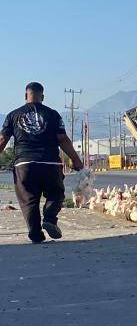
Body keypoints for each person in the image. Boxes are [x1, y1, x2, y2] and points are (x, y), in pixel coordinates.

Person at [0, 82, 84, 243]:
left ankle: (35, 234)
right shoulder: (53, 115)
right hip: (50, 163)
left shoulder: (13, 115)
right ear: (42, 97)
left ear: (26, 96)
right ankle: (50, 218)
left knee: (28, 200)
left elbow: (3, 140)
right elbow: (63, 139)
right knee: (56, 193)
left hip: (24, 165)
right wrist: (76, 160)